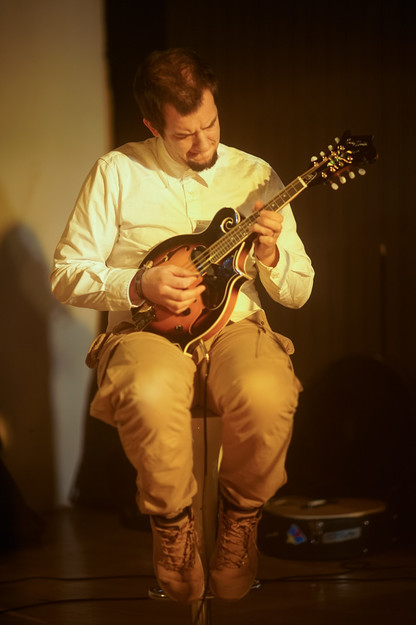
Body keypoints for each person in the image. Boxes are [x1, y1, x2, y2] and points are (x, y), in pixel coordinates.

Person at [50, 48, 314, 604]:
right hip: (148, 330)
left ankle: (240, 521)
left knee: (268, 394)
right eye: (184, 134)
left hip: (236, 326)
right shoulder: (117, 171)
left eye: (210, 124)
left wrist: (270, 253)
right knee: (145, 392)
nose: (203, 143)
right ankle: (172, 526)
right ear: (152, 126)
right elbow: (66, 275)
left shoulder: (257, 175)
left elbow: (299, 291)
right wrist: (137, 284)